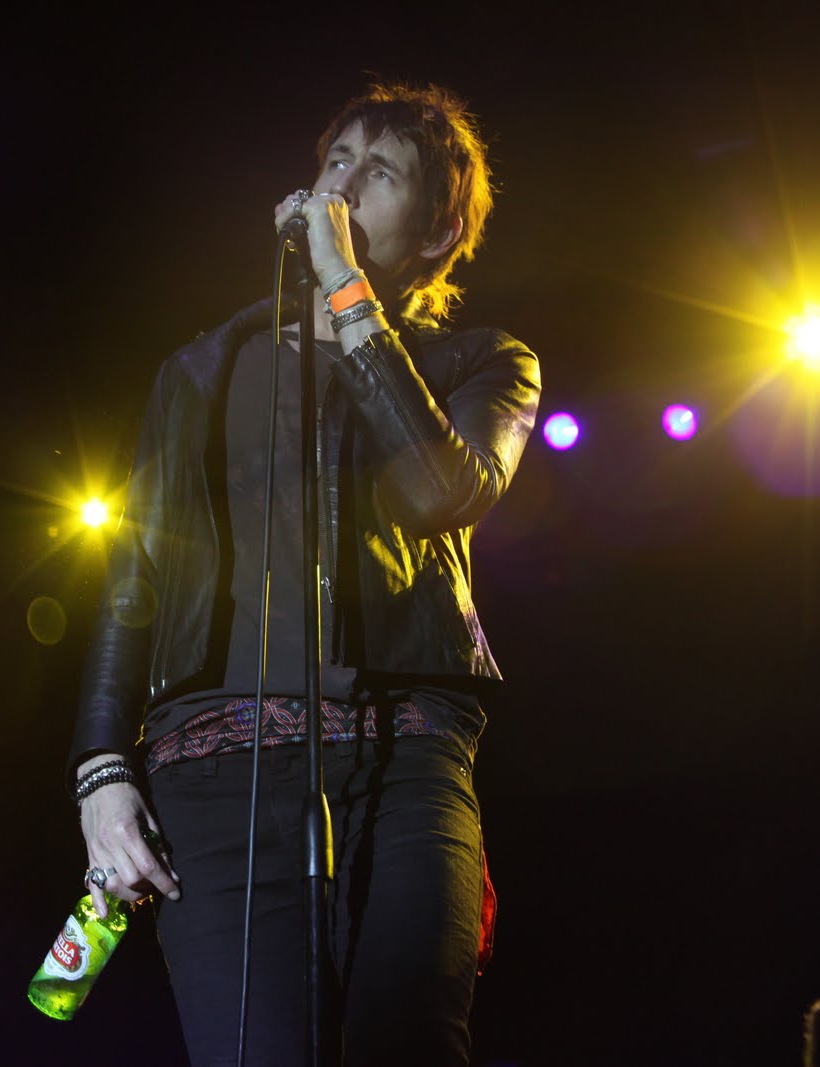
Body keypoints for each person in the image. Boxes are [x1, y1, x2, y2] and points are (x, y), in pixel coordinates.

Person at [65, 82, 540, 1067]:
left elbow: (440, 492)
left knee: (406, 1045)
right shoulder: (201, 369)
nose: (344, 185)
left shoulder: (481, 363)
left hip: (401, 763)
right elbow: (134, 576)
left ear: (439, 230)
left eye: (382, 171)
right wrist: (100, 771)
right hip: (215, 778)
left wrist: (346, 289)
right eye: (337, 160)